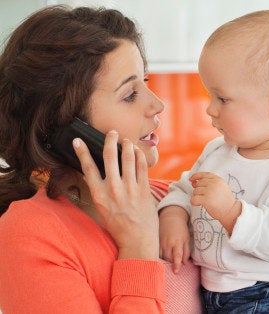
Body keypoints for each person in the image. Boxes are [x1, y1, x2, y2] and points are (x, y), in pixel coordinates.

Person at [0, 5, 200, 313]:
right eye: (130, 94)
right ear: (66, 128)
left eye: (145, 82)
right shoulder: (29, 234)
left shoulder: (178, 198)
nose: (158, 104)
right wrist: (138, 248)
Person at [158, 10, 269, 313]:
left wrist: (230, 211)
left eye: (222, 99)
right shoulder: (217, 151)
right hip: (219, 292)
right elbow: (184, 189)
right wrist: (173, 215)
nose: (210, 110)